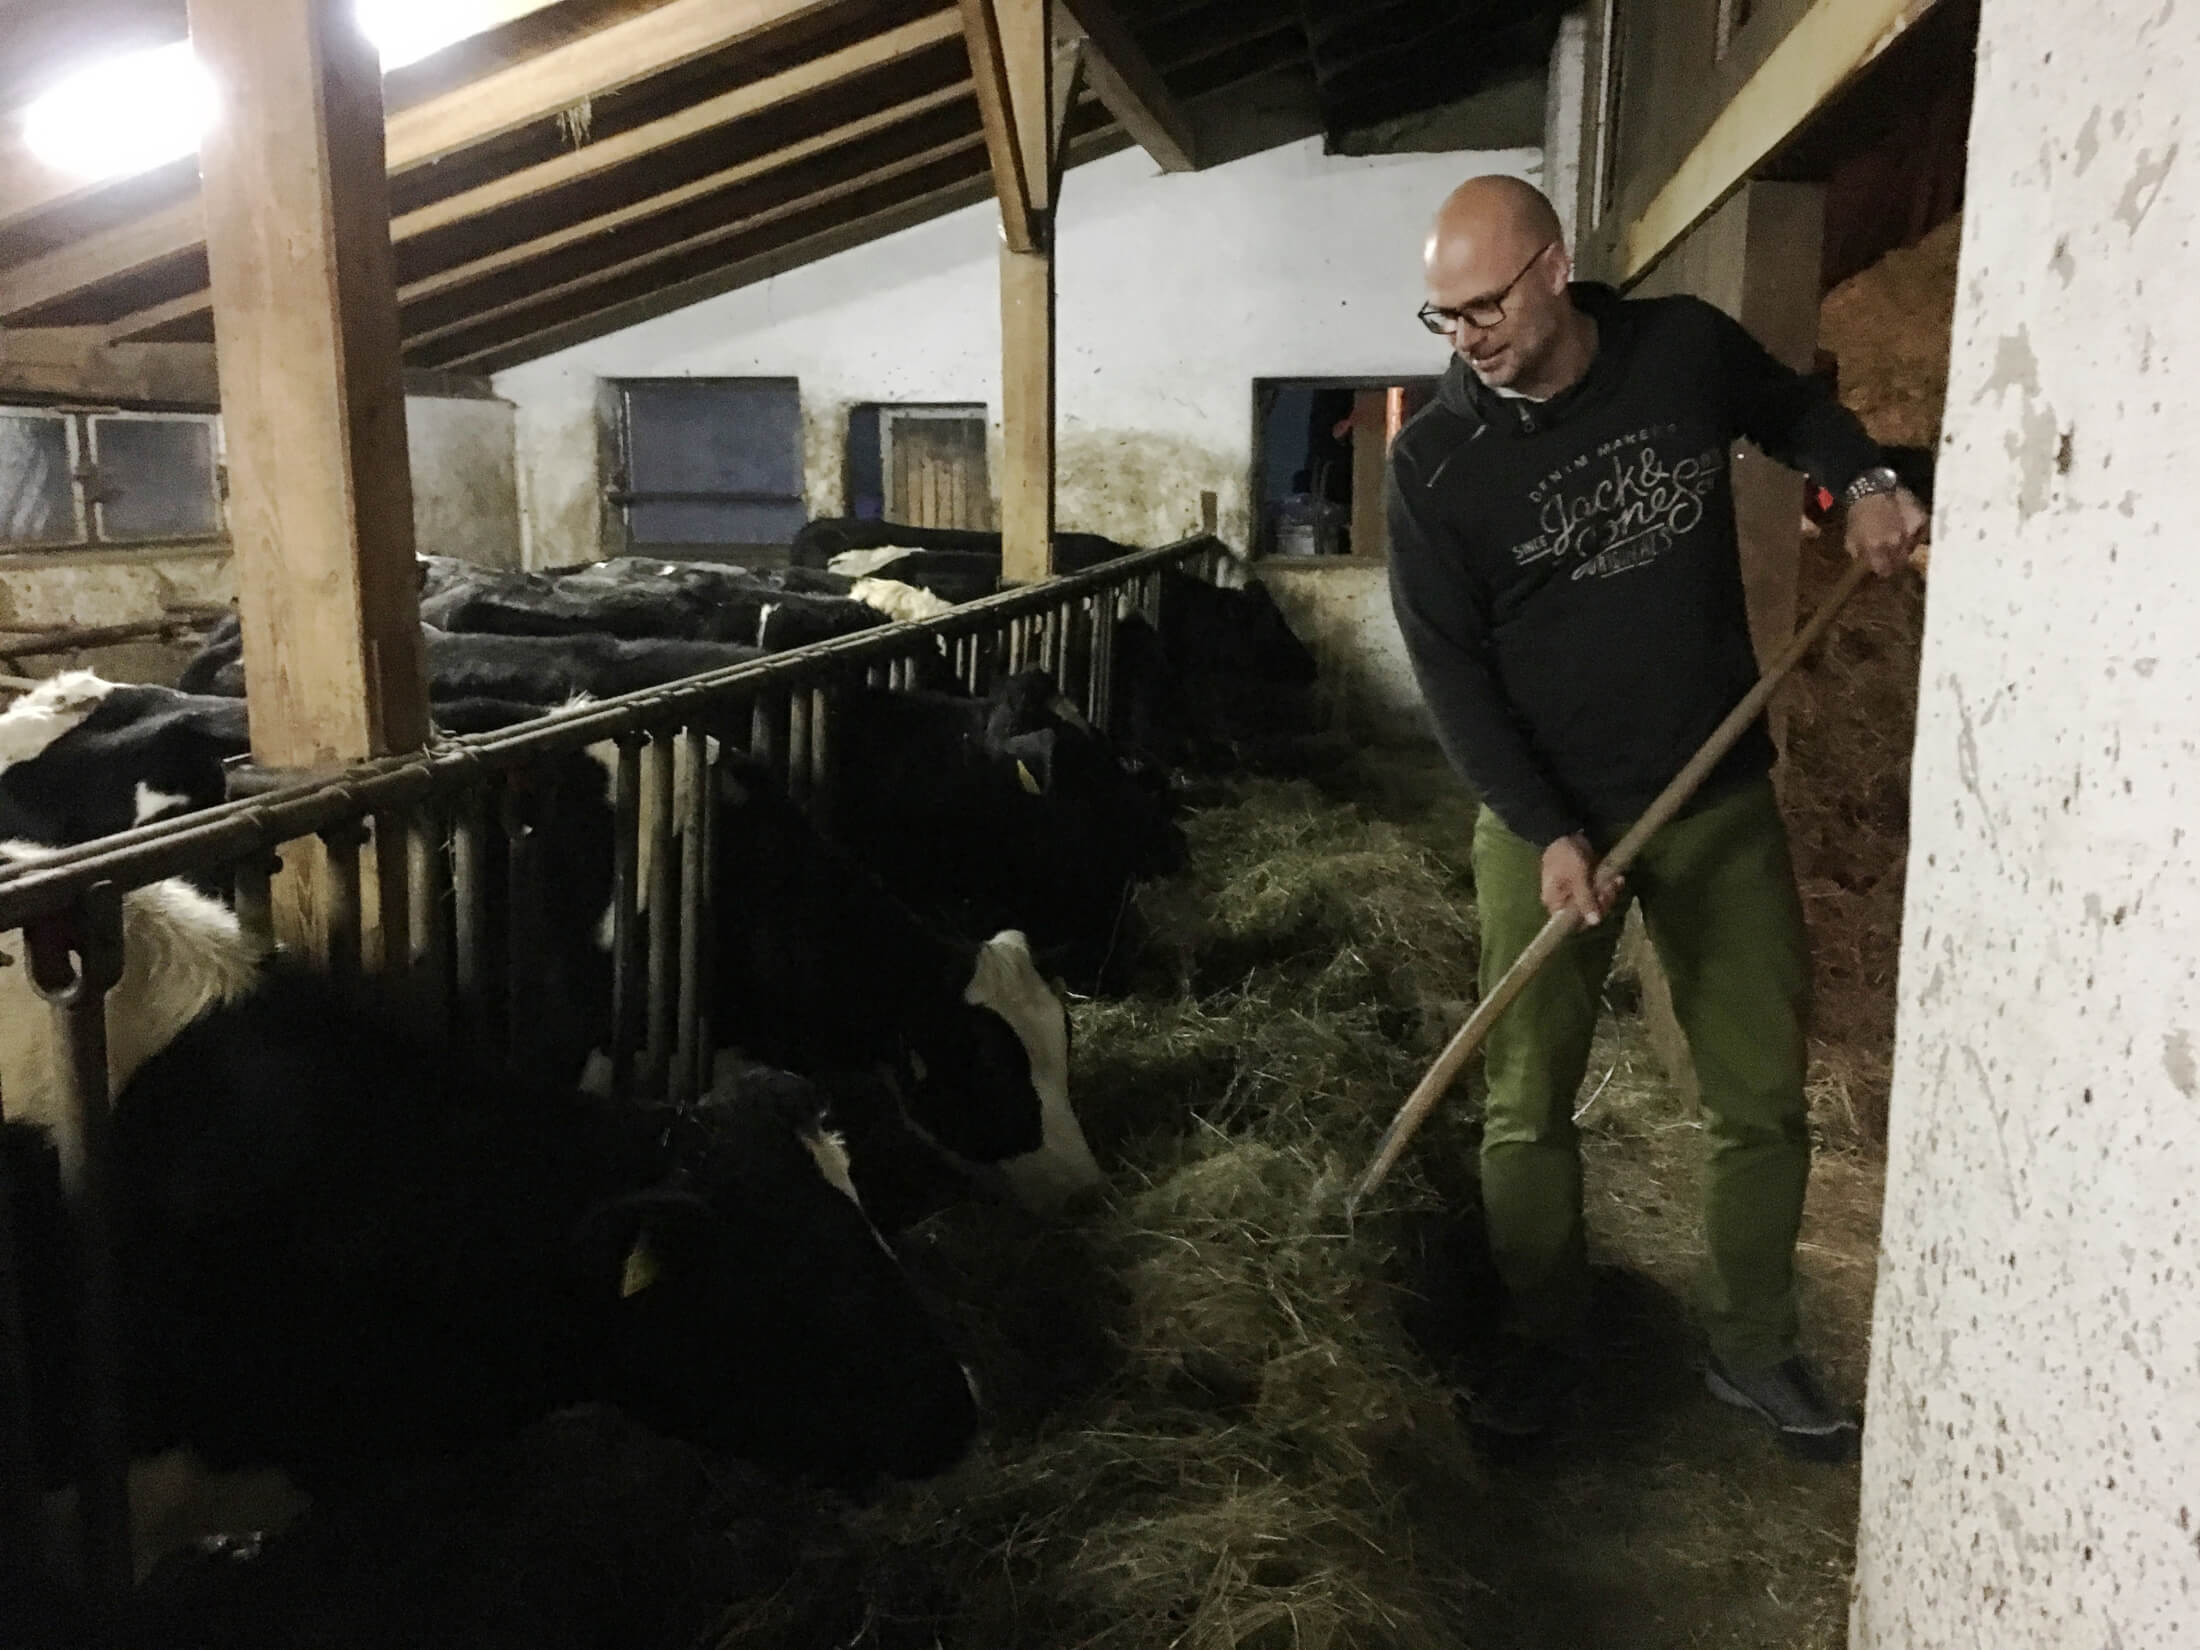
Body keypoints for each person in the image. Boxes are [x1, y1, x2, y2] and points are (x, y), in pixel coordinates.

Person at [1385, 175, 1925, 1459]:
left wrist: (1860, 481)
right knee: (1526, 1106)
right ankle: (1548, 1336)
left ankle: (1751, 1345)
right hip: (1540, 825)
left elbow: (1791, 407)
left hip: (1713, 795)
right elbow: (1447, 670)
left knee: (1760, 1097)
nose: (1466, 338)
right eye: (1442, 316)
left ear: (1555, 266)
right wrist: (1543, 826)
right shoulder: (1435, 463)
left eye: (1485, 305)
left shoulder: (1679, 349)